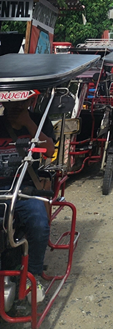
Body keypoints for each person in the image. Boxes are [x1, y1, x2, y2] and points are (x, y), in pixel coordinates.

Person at [0, 95, 55, 302]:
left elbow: (49, 150)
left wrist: (28, 123)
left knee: (40, 224)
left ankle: (33, 276)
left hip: (25, 189)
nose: (17, 106)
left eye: (22, 102)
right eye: (13, 103)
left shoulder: (40, 120)